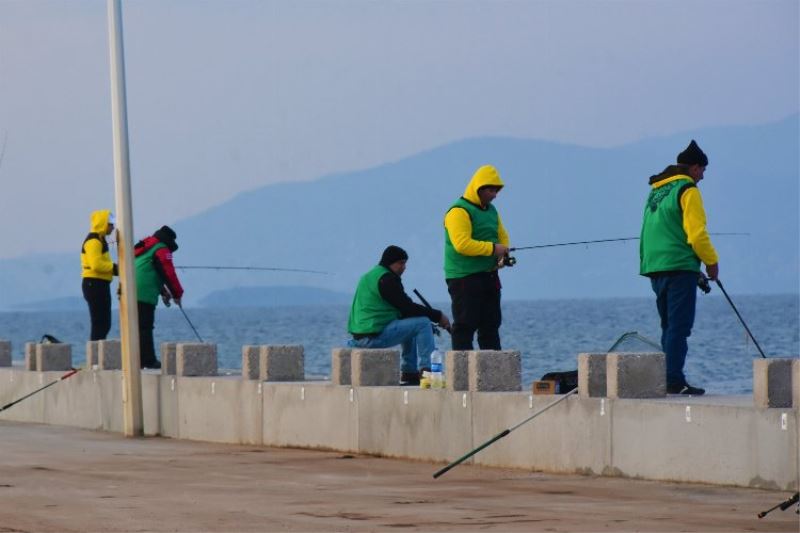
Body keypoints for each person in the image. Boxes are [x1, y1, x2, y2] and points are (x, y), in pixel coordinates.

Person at [640, 140, 719, 396]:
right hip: (678, 265)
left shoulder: (657, 190)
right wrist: (711, 262)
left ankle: (667, 377)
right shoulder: (688, 189)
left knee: (668, 325)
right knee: (680, 326)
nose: (703, 176)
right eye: (703, 170)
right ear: (694, 168)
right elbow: (696, 234)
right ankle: (674, 379)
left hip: (654, 265)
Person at [347, 245, 451, 385]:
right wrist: (438, 316)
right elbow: (407, 307)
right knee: (423, 323)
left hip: (362, 336)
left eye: (405, 263)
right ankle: (428, 373)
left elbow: (405, 310)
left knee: (413, 323)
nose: (404, 267)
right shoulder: (387, 279)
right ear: (390, 262)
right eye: (401, 263)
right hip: (372, 337)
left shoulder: (371, 276)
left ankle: (409, 373)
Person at [444, 164, 510, 351]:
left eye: (497, 191)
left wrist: (503, 254)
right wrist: (493, 249)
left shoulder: (492, 210)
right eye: (491, 190)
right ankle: (462, 374)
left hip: (489, 275)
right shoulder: (458, 211)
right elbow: (462, 244)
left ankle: (492, 373)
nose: (495, 195)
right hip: (463, 277)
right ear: (478, 188)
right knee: (465, 326)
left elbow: (502, 236)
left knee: (491, 326)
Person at [134, 225, 184, 369]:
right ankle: (148, 361)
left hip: (131, 290)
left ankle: (137, 360)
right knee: (145, 327)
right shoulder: (162, 249)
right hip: (144, 292)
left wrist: (163, 291)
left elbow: (149, 270)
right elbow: (168, 272)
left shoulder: (148, 246)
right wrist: (177, 294)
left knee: (137, 327)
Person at [81, 210, 118, 341]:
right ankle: (95, 357)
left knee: (104, 323)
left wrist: (114, 270)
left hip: (100, 283)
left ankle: (98, 354)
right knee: (99, 323)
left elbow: (103, 263)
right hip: (94, 284)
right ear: (103, 224)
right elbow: (96, 264)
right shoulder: (93, 242)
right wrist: (114, 268)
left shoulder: (101, 240)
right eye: (110, 224)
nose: (113, 227)